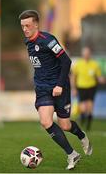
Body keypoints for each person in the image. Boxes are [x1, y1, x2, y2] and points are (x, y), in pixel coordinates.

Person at [19, 10, 92, 170]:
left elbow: (66, 61)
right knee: (45, 121)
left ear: (36, 24)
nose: (25, 29)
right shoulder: (27, 41)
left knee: (65, 125)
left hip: (60, 87)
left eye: (28, 25)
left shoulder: (48, 40)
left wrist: (59, 85)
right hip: (42, 88)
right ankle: (72, 154)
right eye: (22, 26)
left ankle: (82, 136)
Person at [71, 47, 105, 131]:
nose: (86, 55)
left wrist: (101, 79)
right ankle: (82, 120)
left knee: (90, 107)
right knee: (83, 108)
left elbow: (98, 76)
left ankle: (88, 126)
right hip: (81, 87)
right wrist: (74, 88)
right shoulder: (78, 64)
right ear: (82, 54)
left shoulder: (94, 64)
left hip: (91, 87)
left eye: (88, 53)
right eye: (85, 53)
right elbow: (73, 77)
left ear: (90, 54)